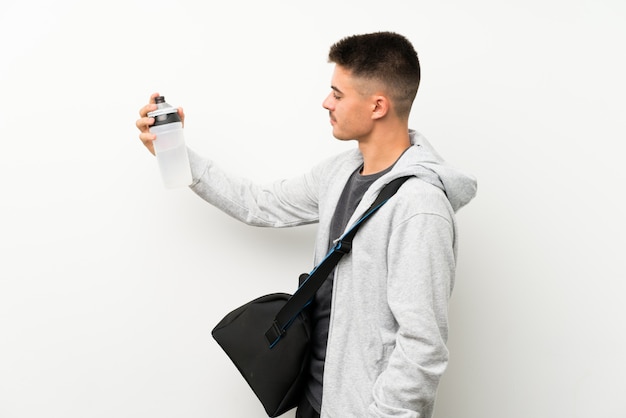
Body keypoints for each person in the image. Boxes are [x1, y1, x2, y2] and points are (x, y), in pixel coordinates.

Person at [136, 31, 477, 418]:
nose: (326, 102)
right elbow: (260, 204)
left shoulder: (420, 208)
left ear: (377, 106)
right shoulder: (341, 172)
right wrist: (177, 154)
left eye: (338, 93)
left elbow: (422, 345)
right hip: (315, 401)